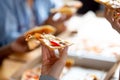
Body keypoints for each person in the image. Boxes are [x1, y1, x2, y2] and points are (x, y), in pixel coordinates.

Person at [0, 0, 72, 63]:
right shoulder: (5, 3)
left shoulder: (45, 1)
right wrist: (45, 27)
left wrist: (60, 21)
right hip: (13, 60)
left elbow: (58, 10)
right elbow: (8, 40)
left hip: (38, 55)